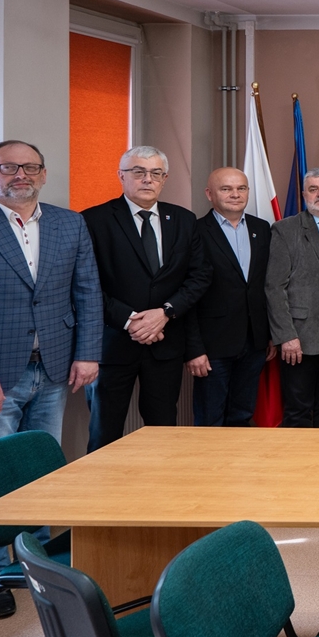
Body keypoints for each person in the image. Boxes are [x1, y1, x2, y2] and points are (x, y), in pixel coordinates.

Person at [0, 140, 103, 618]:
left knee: (40, 469)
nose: (19, 174)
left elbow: (87, 291)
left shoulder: (70, 223)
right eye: (8, 167)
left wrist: (88, 353)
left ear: (43, 174)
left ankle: (38, 562)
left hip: (55, 367)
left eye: (29, 167)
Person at [82, 146, 211, 451]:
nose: (147, 179)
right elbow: (86, 284)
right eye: (138, 172)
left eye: (155, 173)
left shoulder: (183, 219)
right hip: (112, 345)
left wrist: (165, 313)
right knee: (104, 433)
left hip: (165, 344)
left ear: (164, 179)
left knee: (162, 433)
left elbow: (199, 276)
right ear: (121, 176)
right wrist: (130, 320)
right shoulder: (93, 220)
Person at [184, 168, 273, 427]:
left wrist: (269, 335)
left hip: (254, 342)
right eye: (226, 189)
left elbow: (265, 286)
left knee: (242, 416)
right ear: (209, 194)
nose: (235, 194)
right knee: (210, 420)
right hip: (212, 346)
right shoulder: (195, 231)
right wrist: (194, 349)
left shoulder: (261, 228)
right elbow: (188, 294)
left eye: (241, 188)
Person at [265, 169, 319, 428]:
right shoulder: (285, 229)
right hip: (300, 338)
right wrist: (286, 336)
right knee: (298, 410)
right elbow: (274, 287)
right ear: (304, 195)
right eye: (313, 189)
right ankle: (298, 456)